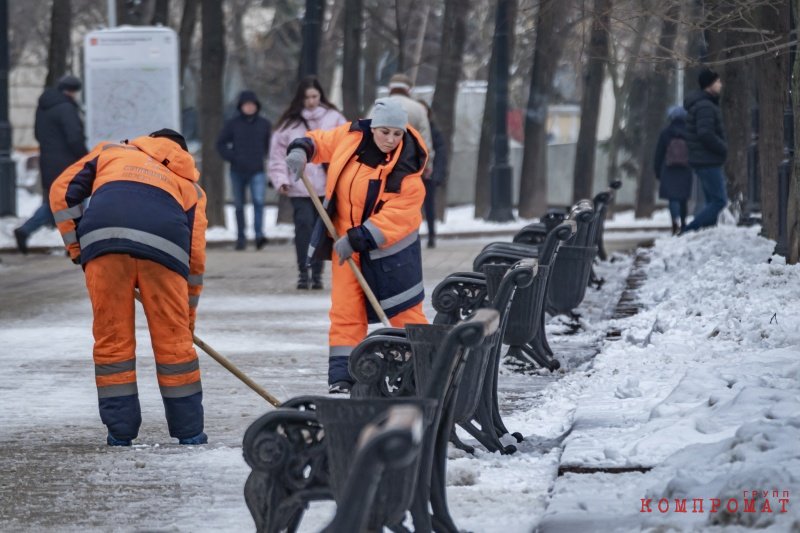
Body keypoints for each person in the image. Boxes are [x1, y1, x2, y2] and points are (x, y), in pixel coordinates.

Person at [49, 129, 208, 447]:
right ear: (182, 154)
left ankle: (120, 434)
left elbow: (62, 190)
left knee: (112, 343)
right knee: (174, 347)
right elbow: (195, 257)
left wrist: (79, 248)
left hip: (104, 242)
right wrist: (185, 322)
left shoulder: (111, 152)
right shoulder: (190, 187)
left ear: (147, 140)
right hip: (165, 248)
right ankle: (189, 433)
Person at [285, 98, 429, 393]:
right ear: (373, 127)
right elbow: (321, 142)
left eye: (397, 134)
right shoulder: (351, 137)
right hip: (347, 244)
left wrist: (357, 238)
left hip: (392, 251)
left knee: (403, 312)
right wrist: (301, 150)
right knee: (345, 313)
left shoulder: (407, 169)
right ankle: (342, 378)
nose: (390, 140)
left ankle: (426, 371)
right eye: (385, 131)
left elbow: (399, 215)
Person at [268, 77, 346, 289]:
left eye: (314, 96)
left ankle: (318, 272)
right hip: (299, 186)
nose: (311, 101)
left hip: (327, 185)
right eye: (307, 97)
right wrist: (281, 179)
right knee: (303, 228)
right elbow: (277, 155)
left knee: (321, 230)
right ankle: (304, 270)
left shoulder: (334, 118)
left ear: (320, 96)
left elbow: (346, 147)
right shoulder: (289, 123)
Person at [14, 75, 88, 254]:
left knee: (54, 204)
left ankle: (25, 231)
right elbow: (74, 137)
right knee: (74, 201)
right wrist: (86, 157)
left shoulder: (44, 107)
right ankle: (74, 245)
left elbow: (38, 135)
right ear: (71, 91)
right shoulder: (66, 108)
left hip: (48, 162)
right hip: (67, 164)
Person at [216, 90, 272, 250]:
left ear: (257, 106)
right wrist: (233, 157)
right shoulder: (232, 124)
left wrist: (272, 163)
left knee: (259, 203)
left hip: (257, 170)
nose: (249, 107)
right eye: (246, 105)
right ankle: (241, 238)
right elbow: (220, 144)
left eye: (252, 105)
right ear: (241, 106)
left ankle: (259, 236)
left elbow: (270, 147)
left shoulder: (264, 124)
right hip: (237, 170)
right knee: (239, 205)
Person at [682, 68, 728, 233]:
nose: (720, 84)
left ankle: (708, 232)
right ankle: (688, 230)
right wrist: (722, 147)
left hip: (704, 158)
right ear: (709, 85)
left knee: (711, 201)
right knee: (719, 201)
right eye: (717, 81)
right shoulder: (705, 106)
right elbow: (705, 133)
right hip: (707, 159)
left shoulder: (704, 104)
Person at [370, 73, 434, 170]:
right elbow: (425, 142)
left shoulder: (377, 107)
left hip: (378, 165)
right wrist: (427, 166)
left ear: (390, 88)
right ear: (409, 90)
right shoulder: (419, 109)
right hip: (409, 166)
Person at [653, 106, 693, 235]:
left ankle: (674, 222)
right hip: (685, 169)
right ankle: (683, 222)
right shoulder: (690, 133)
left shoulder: (666, 133)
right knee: (683, 199)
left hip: (669, 169)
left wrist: (657, 171)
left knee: (673, 199)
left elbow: (659, 154)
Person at [418, 100, 448, 248]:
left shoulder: (433, 131)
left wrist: (437, 174)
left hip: (428, 175)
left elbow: (441, 153)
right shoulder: (415, 129)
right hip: (415, 175)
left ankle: (431, 236)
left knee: (429, 206)